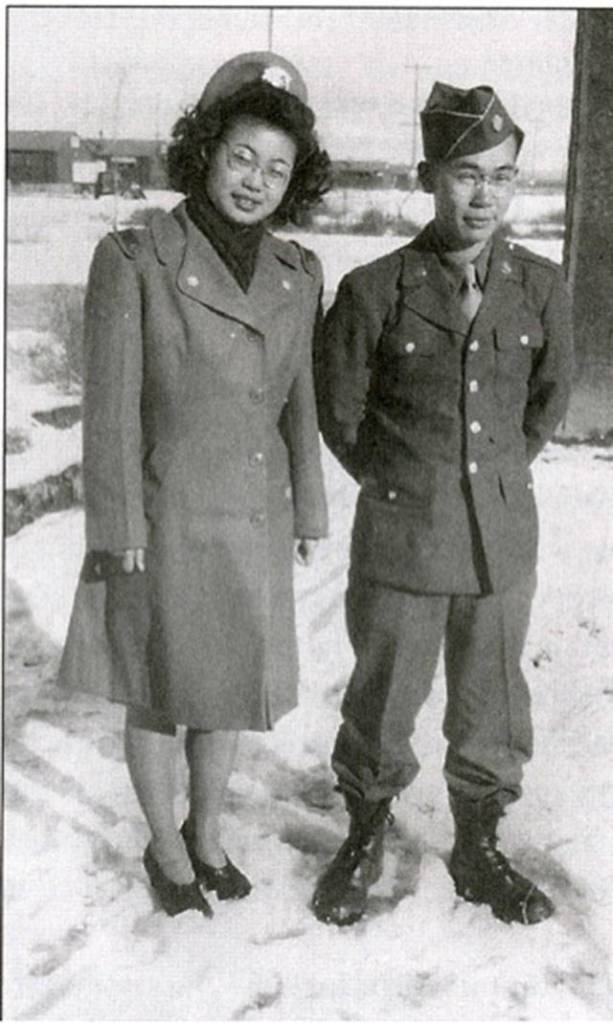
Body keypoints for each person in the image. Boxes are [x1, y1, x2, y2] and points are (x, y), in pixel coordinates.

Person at [60, 51, 330, 918]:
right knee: (158, 685)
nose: (255, 180)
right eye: (242, 155)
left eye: (277, 167)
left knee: (227, 688)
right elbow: (108, 411)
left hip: (251, 516)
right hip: (163, 514)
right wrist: (117, 523)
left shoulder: (299, 273)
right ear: (206, 150)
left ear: (295, 182)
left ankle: (207, 831)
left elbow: (299, 402)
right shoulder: (134, 257)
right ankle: (166, 844)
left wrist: (312, 506)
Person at [312, 82, 573, 927]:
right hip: (402, 533)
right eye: (466, 175)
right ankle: (363, 830)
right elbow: (342, 416)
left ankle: (479, 841)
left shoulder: (539, 287)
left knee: (491, 702)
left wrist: (488, 481)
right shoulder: (373, 289)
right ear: (429, 177)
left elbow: (542, 407)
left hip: (500, 538)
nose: (484, 194)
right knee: (384, 697)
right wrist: (411, 486)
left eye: (501, 176)